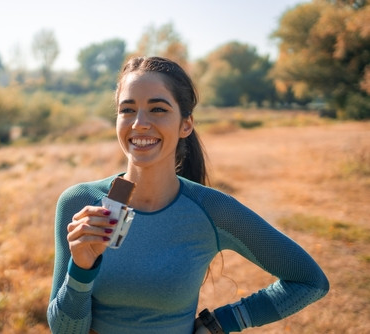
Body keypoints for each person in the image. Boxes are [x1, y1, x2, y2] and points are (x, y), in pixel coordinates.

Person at [47, 56, 329, 334]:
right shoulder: (79, 203)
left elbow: (309, 281)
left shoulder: (213, 209)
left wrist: (222, 323)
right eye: (127, 110)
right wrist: (81, 269)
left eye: (158, 109)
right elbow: (65, 331)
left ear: (186, 124)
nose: (139, 123)